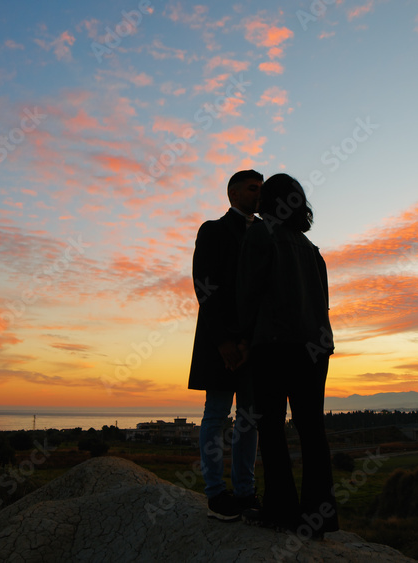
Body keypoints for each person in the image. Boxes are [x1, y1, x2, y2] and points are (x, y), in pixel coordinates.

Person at [236, 173, 339, 538]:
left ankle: (280, 510)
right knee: (312, 430)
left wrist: (241, 338)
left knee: (272, 428)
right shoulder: (312, 250)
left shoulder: (261, 234)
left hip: (274, 345)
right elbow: (323, 302)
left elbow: (249, 291)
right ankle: (318, 518)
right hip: (315, 348)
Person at [188, 169, 263, 521]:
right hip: (219, 343)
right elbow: (204, 286)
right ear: (233, 193)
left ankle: (246, 492)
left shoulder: (265, 233)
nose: (259, 194)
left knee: (249, 418)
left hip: (253, 345)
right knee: (216, 415)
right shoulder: (213, 230)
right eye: (252, 188)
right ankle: (217, 495)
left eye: (261, 188)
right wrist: (223, 341)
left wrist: (249, 342)